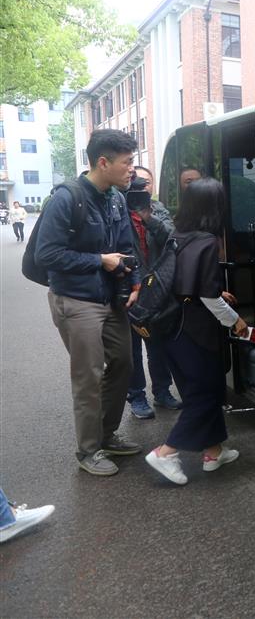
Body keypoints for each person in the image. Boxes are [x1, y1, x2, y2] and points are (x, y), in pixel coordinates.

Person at [36, 129, 142, 477]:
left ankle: (106, 434)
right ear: (103, 162)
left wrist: (135, 281)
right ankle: (88, 450)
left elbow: (127, 245)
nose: (132, 169)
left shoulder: (116, 198)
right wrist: (100, 260)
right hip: (75, 299)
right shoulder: (66, 198)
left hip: (110, 297)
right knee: (89, 376)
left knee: (124, 362)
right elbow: (47, 254)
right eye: (127, 163)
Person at [145, 178, 247, 486]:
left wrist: (216, 292)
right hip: (195, 330)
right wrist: (236, 321)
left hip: (172, 328)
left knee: (203, 389)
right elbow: (207, 296)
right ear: (214, 207)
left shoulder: (178, 235)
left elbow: (186, 282)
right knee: (204, 395)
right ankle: (165, 453)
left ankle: (213, 451)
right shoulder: (207, 241)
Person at [124, 173, 182, 419]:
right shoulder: (117, 209)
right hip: (128, 287)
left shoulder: (157, 209)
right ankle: (136, 395)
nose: (141, 189)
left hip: (156, 286)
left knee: (157, 342)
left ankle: (162, 390)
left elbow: (172, 237)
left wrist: (148, 217)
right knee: (131, 347)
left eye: (145, 184)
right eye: (136, 186)